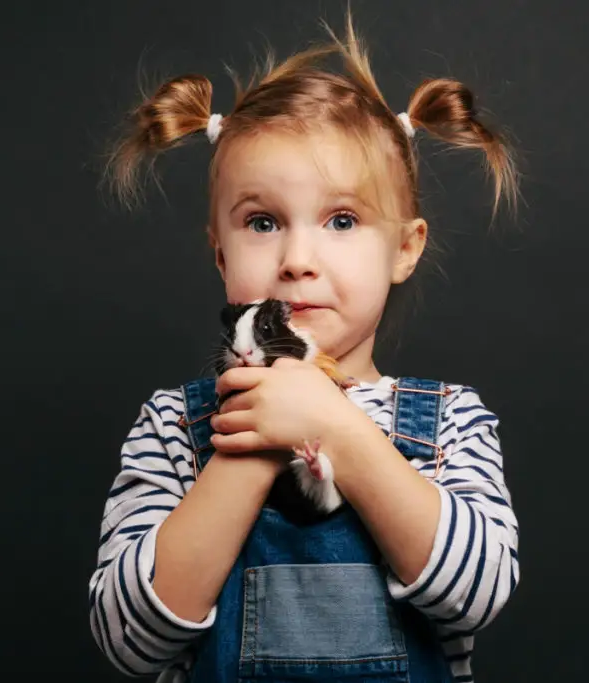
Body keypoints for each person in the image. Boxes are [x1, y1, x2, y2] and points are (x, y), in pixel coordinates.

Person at [87, 10, 521, 683]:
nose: (297, 259)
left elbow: (477, 592)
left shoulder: (451, 422)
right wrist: (254, 443)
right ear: (220, 253)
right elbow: (131, 638)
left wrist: (332, 426)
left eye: (341, 220)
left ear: (404, 249)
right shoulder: (173, 427)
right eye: (262, 222)